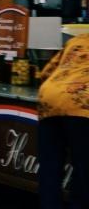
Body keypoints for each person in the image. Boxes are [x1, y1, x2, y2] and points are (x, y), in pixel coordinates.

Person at [38, 28, 89, 209]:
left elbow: (46, 72)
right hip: (82, 105)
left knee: (50, 167)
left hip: (50, 100)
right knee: (83, 169)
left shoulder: (77, 40)